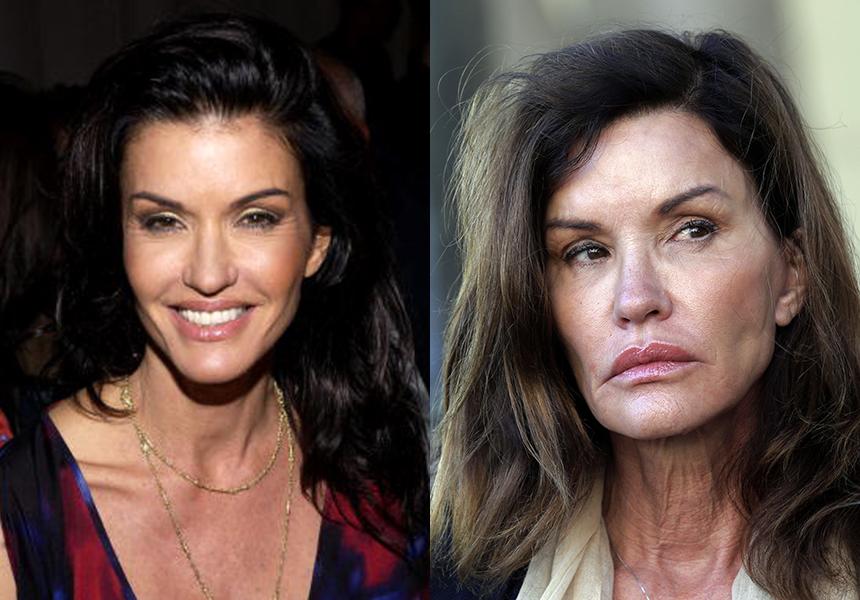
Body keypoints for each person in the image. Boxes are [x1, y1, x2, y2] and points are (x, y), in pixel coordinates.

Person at [0, 14, 428, 599]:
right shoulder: (23, 517)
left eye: (255, 218)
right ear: (119, 239)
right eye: (163, 221)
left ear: (317, 243)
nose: (207, 274)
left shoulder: (381, 482)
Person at [431, 29, 860, 600]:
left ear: (791, 273)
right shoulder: (452, 574)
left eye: (692, 229)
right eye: (586, 251)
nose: (636, 299)